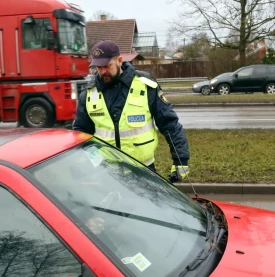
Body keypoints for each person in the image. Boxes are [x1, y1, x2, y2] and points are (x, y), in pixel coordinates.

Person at [73, 40, 191, 183]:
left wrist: (181, 160)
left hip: (144, 172)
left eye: (107, 66)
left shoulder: (145, 86)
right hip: (107, 176)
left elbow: (169, 124)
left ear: (120, 61)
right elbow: (81, 134)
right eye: (98, 67)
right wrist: (92, 162)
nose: (103, 71)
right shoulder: (88, 94)